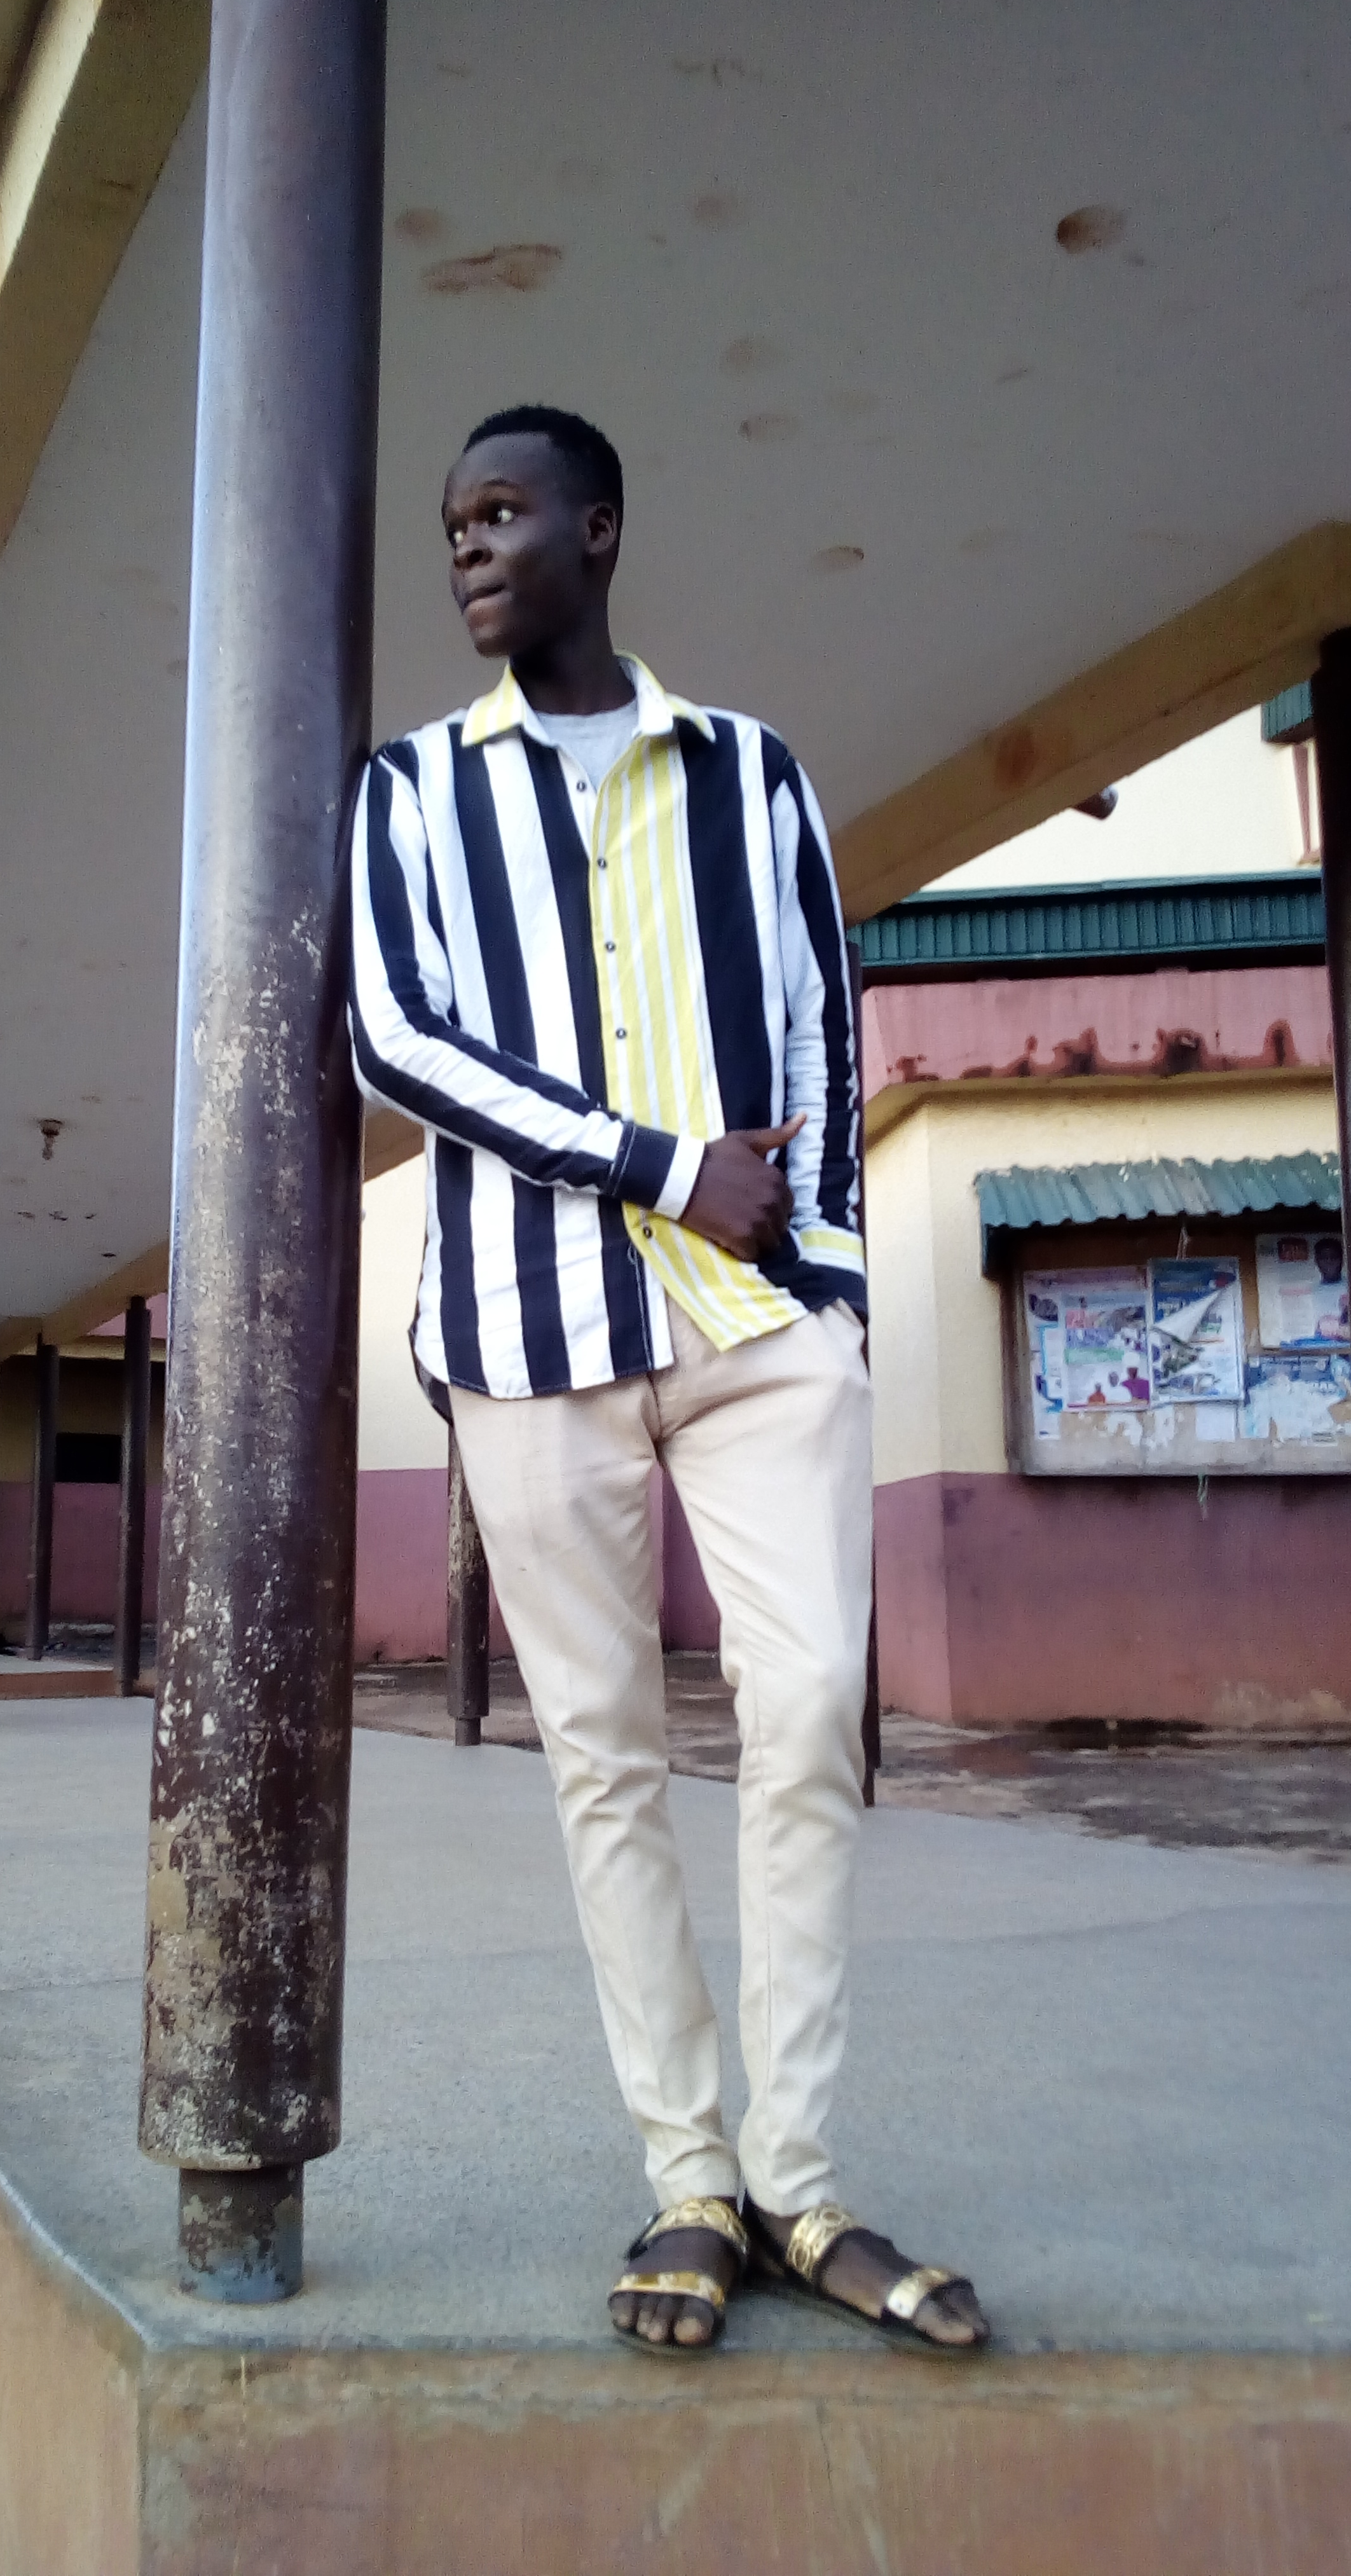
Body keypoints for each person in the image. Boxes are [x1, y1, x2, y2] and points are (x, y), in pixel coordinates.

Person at [348, 405, 989, 2357]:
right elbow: (396, 1042)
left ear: (599, 529)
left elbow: (824, 1029)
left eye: (501, 513)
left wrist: (835, 1285)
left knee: (804, 1712)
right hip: (526, 1341)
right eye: (452, 525)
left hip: (756, 1329)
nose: (467, 550)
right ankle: (691, 2179)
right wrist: (656, 1164)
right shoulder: (409, 791)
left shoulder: (750, 773)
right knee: (603, 1758)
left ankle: (800, 2183)